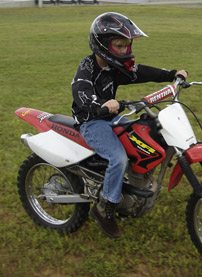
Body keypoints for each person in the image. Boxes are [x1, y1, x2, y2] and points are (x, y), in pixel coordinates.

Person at [71, 12, 187, 238]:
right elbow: (81, 94)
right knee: (118, 158)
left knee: (146, 134)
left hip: (111, 118)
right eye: (119, 45)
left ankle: (137, 185)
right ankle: (105, 207)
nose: (125, 50)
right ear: (102, 44)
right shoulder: (87, 67)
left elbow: (140, 72)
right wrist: (102, 105)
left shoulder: (116, 67)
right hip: (91, 122)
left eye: (127, 45)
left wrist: (171, 74)